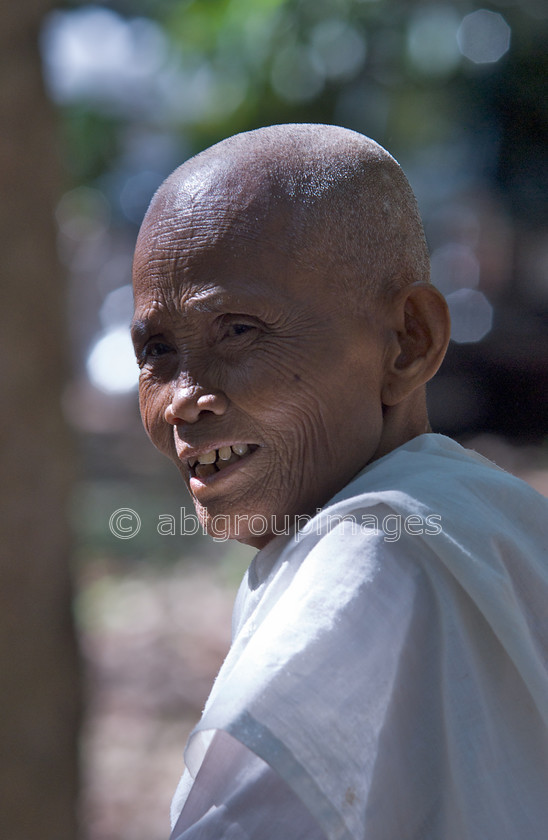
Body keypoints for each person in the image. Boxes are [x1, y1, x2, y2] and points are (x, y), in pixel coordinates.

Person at [131, 124, 548, 840]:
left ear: (409, 341)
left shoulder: (367, 568)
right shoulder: (501, 524)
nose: (180, 398)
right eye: (157, 350)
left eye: (237, 331)